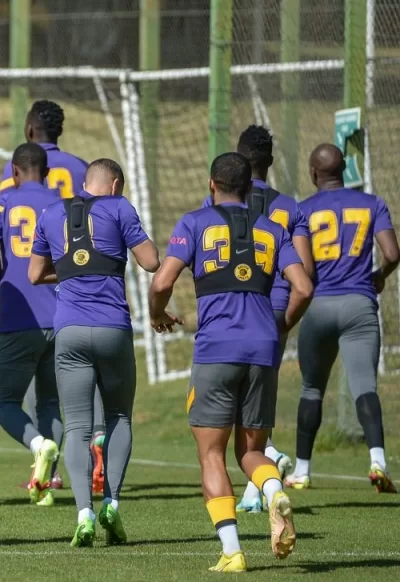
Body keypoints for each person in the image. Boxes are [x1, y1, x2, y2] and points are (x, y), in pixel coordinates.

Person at [149, 152, 312, 573]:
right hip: (263, 349)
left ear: (211, 184)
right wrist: (280, 326)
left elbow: (162, 281)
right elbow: (303, 287)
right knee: (251, 451)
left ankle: (233, 551)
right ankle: (274, 491)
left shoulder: (194, 222)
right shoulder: (273, 228)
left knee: (211, 455)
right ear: (250, 188)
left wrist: (157, 314)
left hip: (217, 349)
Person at [29, 158, 159, 546]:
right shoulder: (119, 207)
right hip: (112, 328)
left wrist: (74, 269)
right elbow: (151, 261)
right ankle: (112, 504)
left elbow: (35, 274)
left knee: (77, 427)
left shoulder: (51, 213)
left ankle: (83, 514)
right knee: (118, 416)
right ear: (115, 185)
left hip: (68, 330)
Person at [204, 126, 313, 513]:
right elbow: (306, 272)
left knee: (225, 405)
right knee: (257, 403)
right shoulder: (291, 208)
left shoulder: (218, 200)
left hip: (229, 309)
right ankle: (260, 482)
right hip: (275, 309)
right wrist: (284, 323)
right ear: (269, 161)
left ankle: (263, 474)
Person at [1, 100, 107, 490]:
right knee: (79, 376)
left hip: (29, 294)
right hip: (73, 285)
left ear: (29, 131)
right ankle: (97, 438)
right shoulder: (81, 168)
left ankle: (49, 465)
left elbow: (5, 221)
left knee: (36, 391)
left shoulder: (15, 171)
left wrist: (0, 280)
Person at [285, 144, 400, 493]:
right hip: (359, 305)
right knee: (365, 386)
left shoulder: (302, 209)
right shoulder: (372, 203)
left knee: (311, 388)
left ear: (313, 173)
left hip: (318, 305)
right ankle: (377, 461)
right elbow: (392, 253)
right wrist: (379, 275)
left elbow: (301, 268)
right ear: (345, 169)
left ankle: (302, 471)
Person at [0, 142, 63, 507]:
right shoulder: (66, 207)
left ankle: (38, 445)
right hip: (61, 315)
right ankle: (48, 484)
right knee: (50, 402)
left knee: (5, 401)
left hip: (20, 317)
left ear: (14, 172)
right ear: (47, 173)